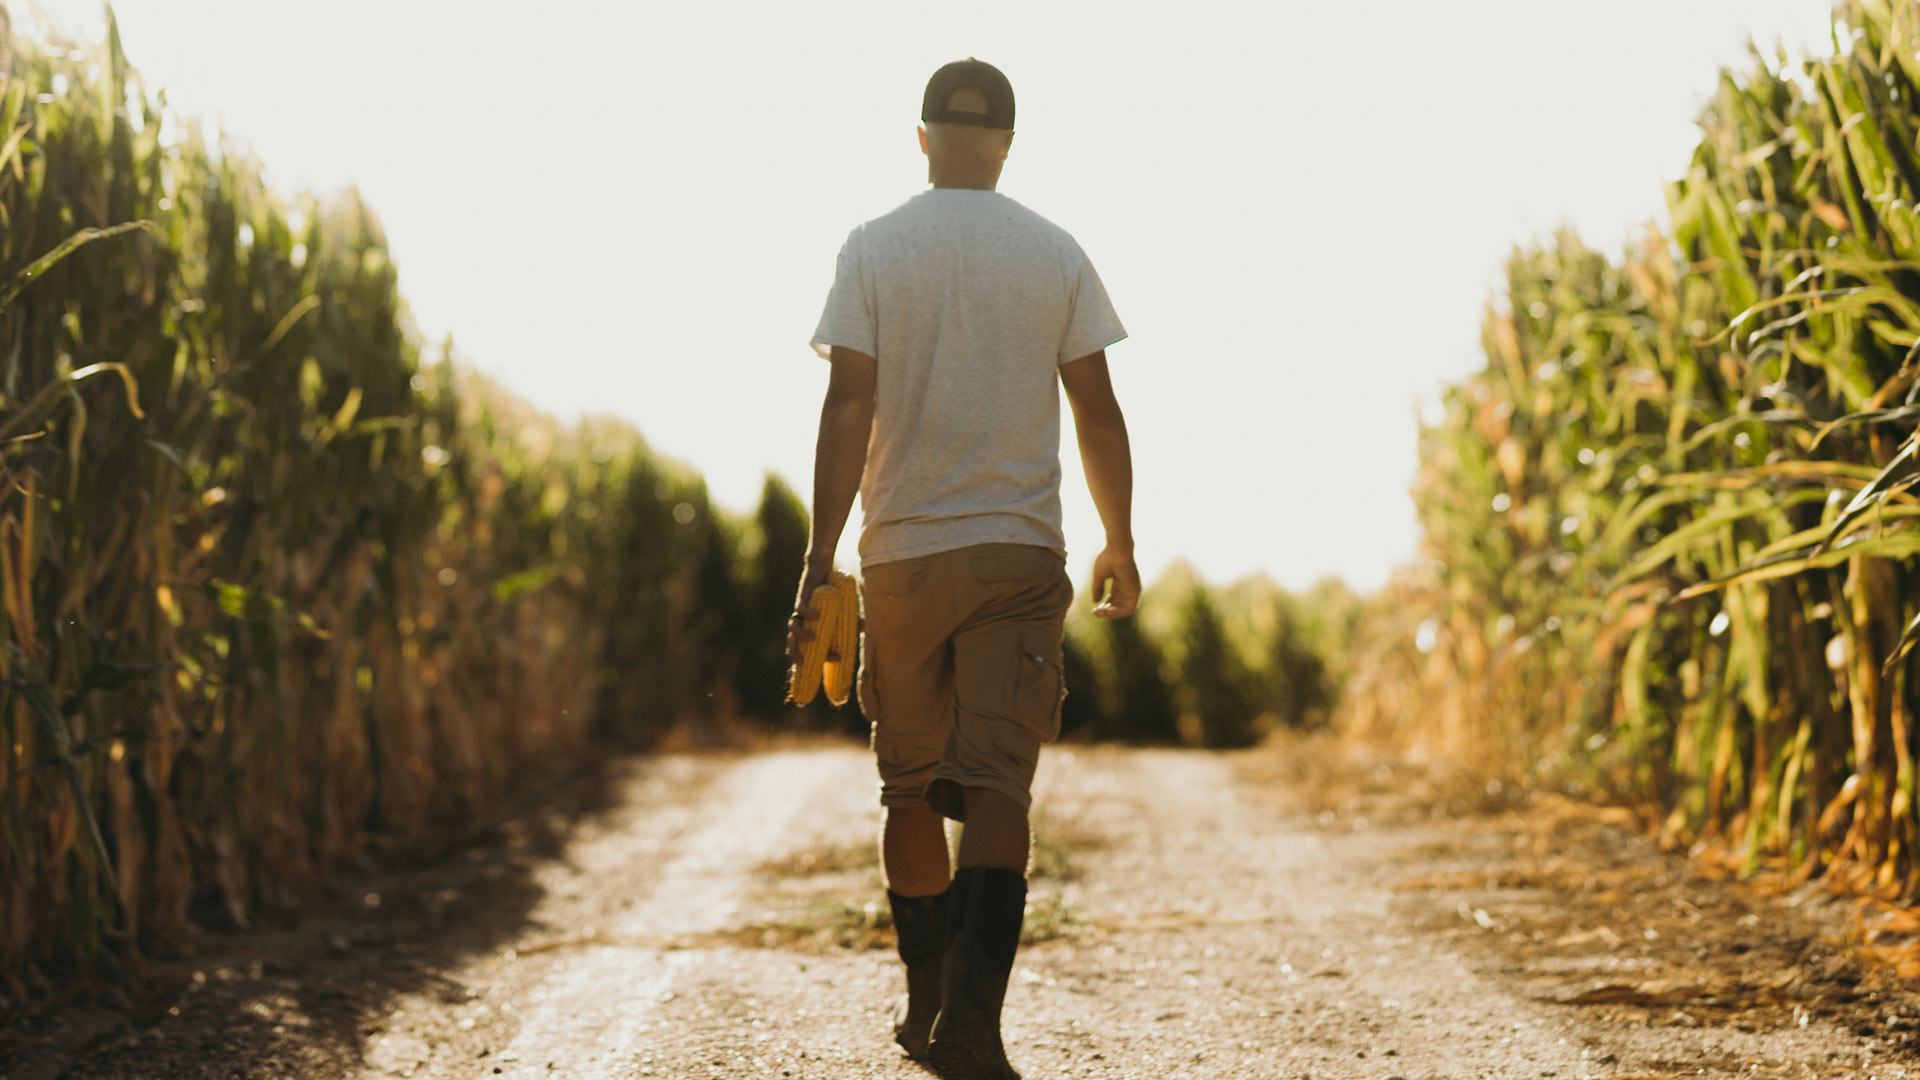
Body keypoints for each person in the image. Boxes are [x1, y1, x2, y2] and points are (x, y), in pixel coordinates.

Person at [788, 57, 1139, 1080]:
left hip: (900, 554)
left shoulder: (874, 249)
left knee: (907, 792)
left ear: (926, 136)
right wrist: (1119, 538)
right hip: (1018, 552)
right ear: (1006, 143)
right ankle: (973, 1025)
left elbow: (847, 404)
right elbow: (1098, 411)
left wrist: (820, 553)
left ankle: (927, 997)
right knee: (997, 789)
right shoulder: (1053, 251)